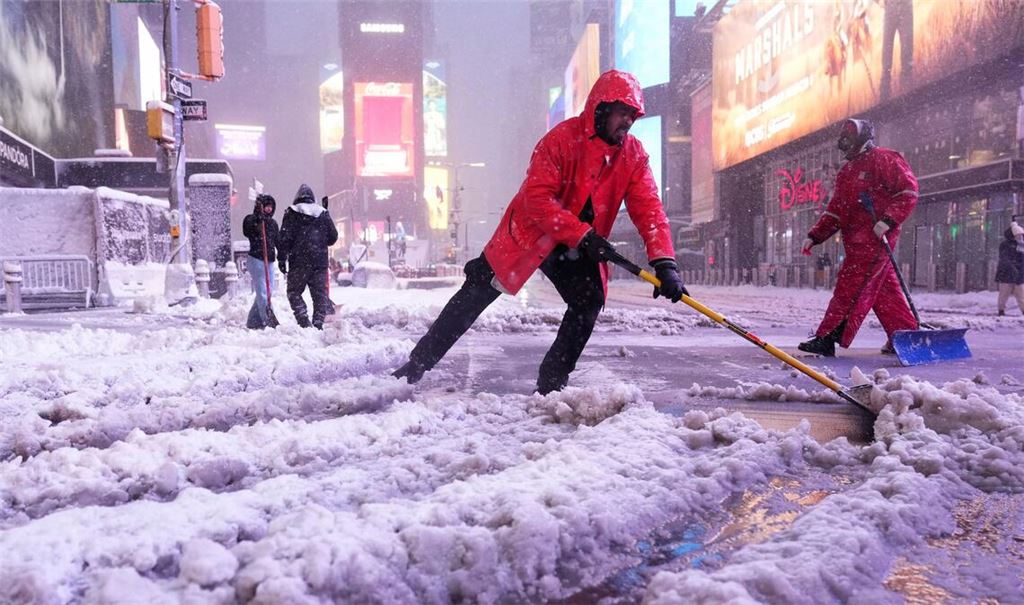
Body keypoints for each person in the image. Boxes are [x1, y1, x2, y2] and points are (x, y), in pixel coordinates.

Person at [392, 70, 687, 393]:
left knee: (588, 302)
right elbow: (537, 199)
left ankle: (551, 385)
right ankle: (417, 364)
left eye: (633, 115)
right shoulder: (560, 140)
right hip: (530, 234)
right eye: (622, 112)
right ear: (601, 108)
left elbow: (650, 210)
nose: (628, 121)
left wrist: (665, 263)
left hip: (576, 246)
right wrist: (583, 235)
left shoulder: (633, 155)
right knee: (475, 293)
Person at [798, 118, 919, 357]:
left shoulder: (885, 159)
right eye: (842, 141)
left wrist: (888, 220)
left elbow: (908, 191)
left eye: (848, 140)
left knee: (852, 285)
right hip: (855, 241)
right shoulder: (847, 172)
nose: (844, 146)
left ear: (862, 139)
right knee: (883, 290)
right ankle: (905, 335)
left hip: (875, 238)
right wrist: (816, 235)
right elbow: (837, 210)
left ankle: (827, 336)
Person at [277, 184, 338, 329]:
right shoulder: (323, 213)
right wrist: (321, 238)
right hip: (319, 262)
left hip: (298, 262)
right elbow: (333, 237)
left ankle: (303, 320)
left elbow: (284, 239)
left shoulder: (291, 213)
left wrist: (281, 258)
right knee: (319, 295)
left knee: (294, 292)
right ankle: (318, 323)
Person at [241, 193, 279, 329]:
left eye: (271, 207)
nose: (269, 209)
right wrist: (258, 218)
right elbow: (246, 231)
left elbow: (278, 241)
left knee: (267, 292)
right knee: (263, 291)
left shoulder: (273, 224)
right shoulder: (251, 219)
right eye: (266, 206)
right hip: (256, 259)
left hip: (269, 260)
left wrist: (283, 256)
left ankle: (253, 321)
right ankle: (268, 320)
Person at [996, 221, 1024, 316]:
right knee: (1004, 294)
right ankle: (1001, 310)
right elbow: (1005, 259)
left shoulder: (1021, 245)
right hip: (1008, 274)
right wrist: (1013, 268)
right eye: (1018, 235)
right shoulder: (1006, 245)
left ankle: (1022, 310)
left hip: (1016, 274)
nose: (1020, 237)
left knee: (1020, 295)